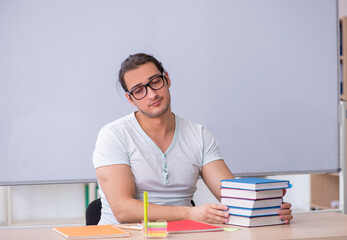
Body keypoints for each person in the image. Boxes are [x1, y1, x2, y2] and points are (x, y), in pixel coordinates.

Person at [93, 53, 293, 225]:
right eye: (139, 90)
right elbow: (123, 211)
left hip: (182, 233)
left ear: (167, 79)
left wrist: (268, 210)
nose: (151, 94)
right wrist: (190, 213)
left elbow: (233, 197)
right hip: (122, 235)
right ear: (130, 99)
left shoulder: (198, 135)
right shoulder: (113, 135)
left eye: (155, 81)